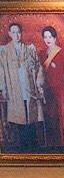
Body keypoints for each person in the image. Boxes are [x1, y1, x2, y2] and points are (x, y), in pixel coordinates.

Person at [0, 21, 44, 151]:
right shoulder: (4, 51)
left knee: (31, 116)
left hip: (29, 89)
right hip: (14, 89)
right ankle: (23, 149)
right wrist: (3, 88)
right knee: (19, 117)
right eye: (13, 32)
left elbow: (38, 67)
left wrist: (39, 85)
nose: (16, 35)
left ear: (21, 33)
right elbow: (1, 71)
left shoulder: (29, 49)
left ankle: (33, 148)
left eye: (18, 32)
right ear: (10, 34)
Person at [37, 26, 64, 150]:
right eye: (45, 37)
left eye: (50, 37)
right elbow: (40, 72)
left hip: (62, 89)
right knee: (52, 116)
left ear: (55, 38)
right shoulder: (42, 54)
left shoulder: (63, 52)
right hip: (49, 89)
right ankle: (56, 143)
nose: (48, 39)